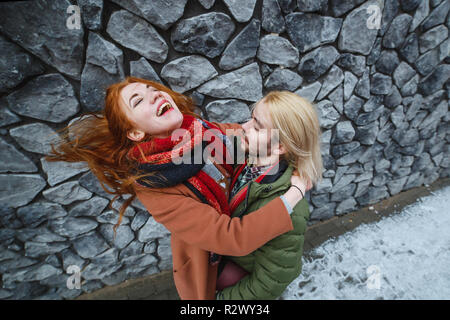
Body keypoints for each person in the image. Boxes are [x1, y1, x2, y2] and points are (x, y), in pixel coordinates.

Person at [47, 77, 311, 300]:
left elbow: (238, 134)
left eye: (152, 89)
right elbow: (230, 238)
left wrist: (287, 149)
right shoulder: (154, 184)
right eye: (138, 101)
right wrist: (293, 195)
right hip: (212, 262)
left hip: (253, 254)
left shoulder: (196, 131)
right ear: (136, 133)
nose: (153, 95)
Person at [215, 91, 323, 300]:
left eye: (256, 126)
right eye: (251, 118)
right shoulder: (247, 157)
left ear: (280, 146)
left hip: (238, 281)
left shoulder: (290, 212)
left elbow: (269, 284)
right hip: (223, 259)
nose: (243, 127)